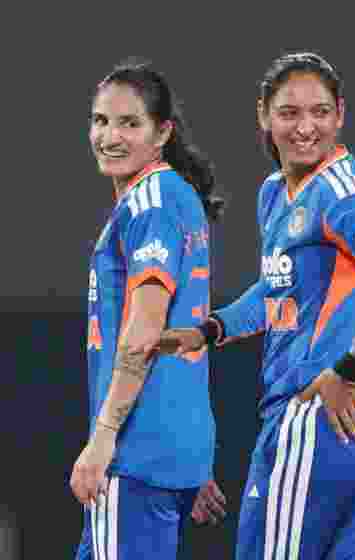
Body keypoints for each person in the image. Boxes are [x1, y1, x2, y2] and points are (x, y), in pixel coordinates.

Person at [158, 52, 355, 559]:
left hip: (317, 417)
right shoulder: (276, 194)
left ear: (340, 115)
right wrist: (210, 330)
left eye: (320, 112)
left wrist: (348, 366)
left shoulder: (340, 195)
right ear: (263, 115)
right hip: (354, 424)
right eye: (289, 113)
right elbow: (278, 293)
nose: (305, 127)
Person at [70, 59, 224, 560]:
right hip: (172, 451)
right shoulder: (176, 197)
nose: (109, 136)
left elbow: (145, 331)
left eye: (129, 123)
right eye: (100, 120)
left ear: (162, 133)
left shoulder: (150, 204)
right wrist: (194, 463)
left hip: (134, 456)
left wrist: (104, 438)